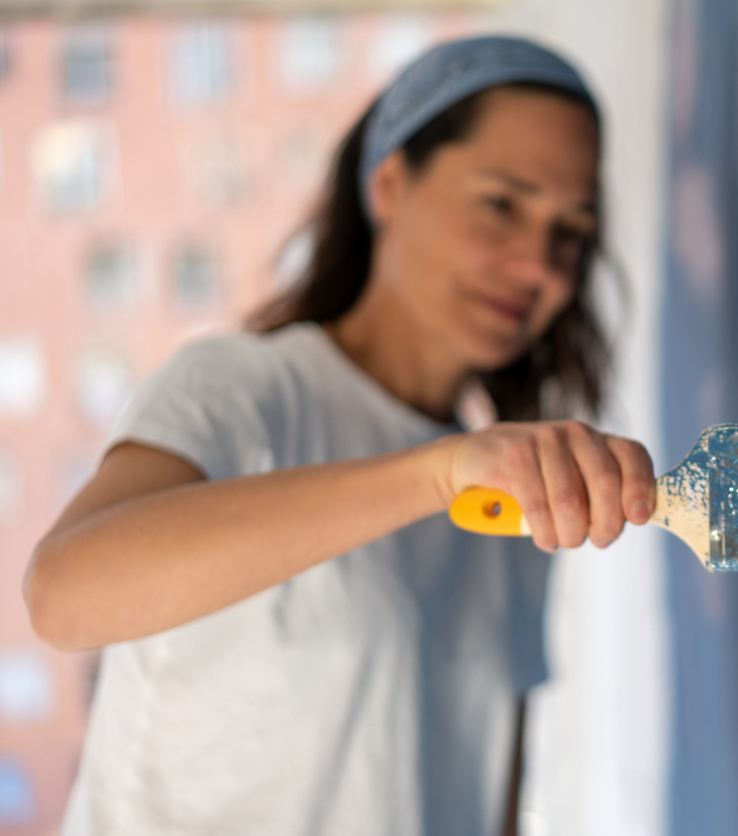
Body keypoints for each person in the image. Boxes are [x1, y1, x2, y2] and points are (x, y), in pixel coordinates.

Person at [23, 36, 655, 836]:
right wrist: (436, 474)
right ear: (390, 184)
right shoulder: (244, 389)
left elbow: (485, 791)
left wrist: (459, 469)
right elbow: (63, 596)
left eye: (570, 232)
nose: (539, 266)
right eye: (501, 204)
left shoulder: (510, 497)